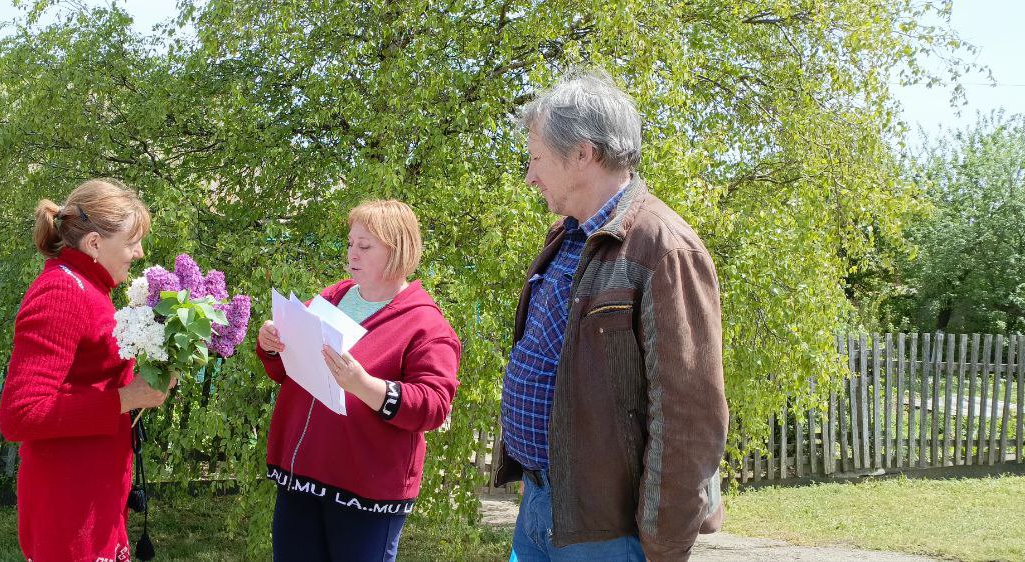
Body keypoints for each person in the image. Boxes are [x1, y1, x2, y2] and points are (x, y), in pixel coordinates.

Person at [493, 69, 728, 562]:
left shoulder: (664, 248)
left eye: (536, 159)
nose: (530, 176)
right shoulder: (566, 236)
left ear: (582, 153)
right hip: (541, 505)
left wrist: (662, 544)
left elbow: (689, 416)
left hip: (607, 532)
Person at [256, 199, 461, 562]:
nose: (352, 252)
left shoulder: (426, 325)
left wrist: (364, 385)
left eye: (365, 246)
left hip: (366, 493)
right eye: (351, 243)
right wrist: (272, 344)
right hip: (301, 479)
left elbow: (433, 406)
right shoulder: (333, 296)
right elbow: (285, 369)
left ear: (397, 251)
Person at [0, 178, 172, 562]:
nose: (140, 253)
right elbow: (20, 414)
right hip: (69, 511)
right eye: (131, 242)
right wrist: (126, 398)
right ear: (94, 243)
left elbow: (90, 377)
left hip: (93, 497)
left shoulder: (90, 288)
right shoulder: (61, 293)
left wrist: (151, 378)